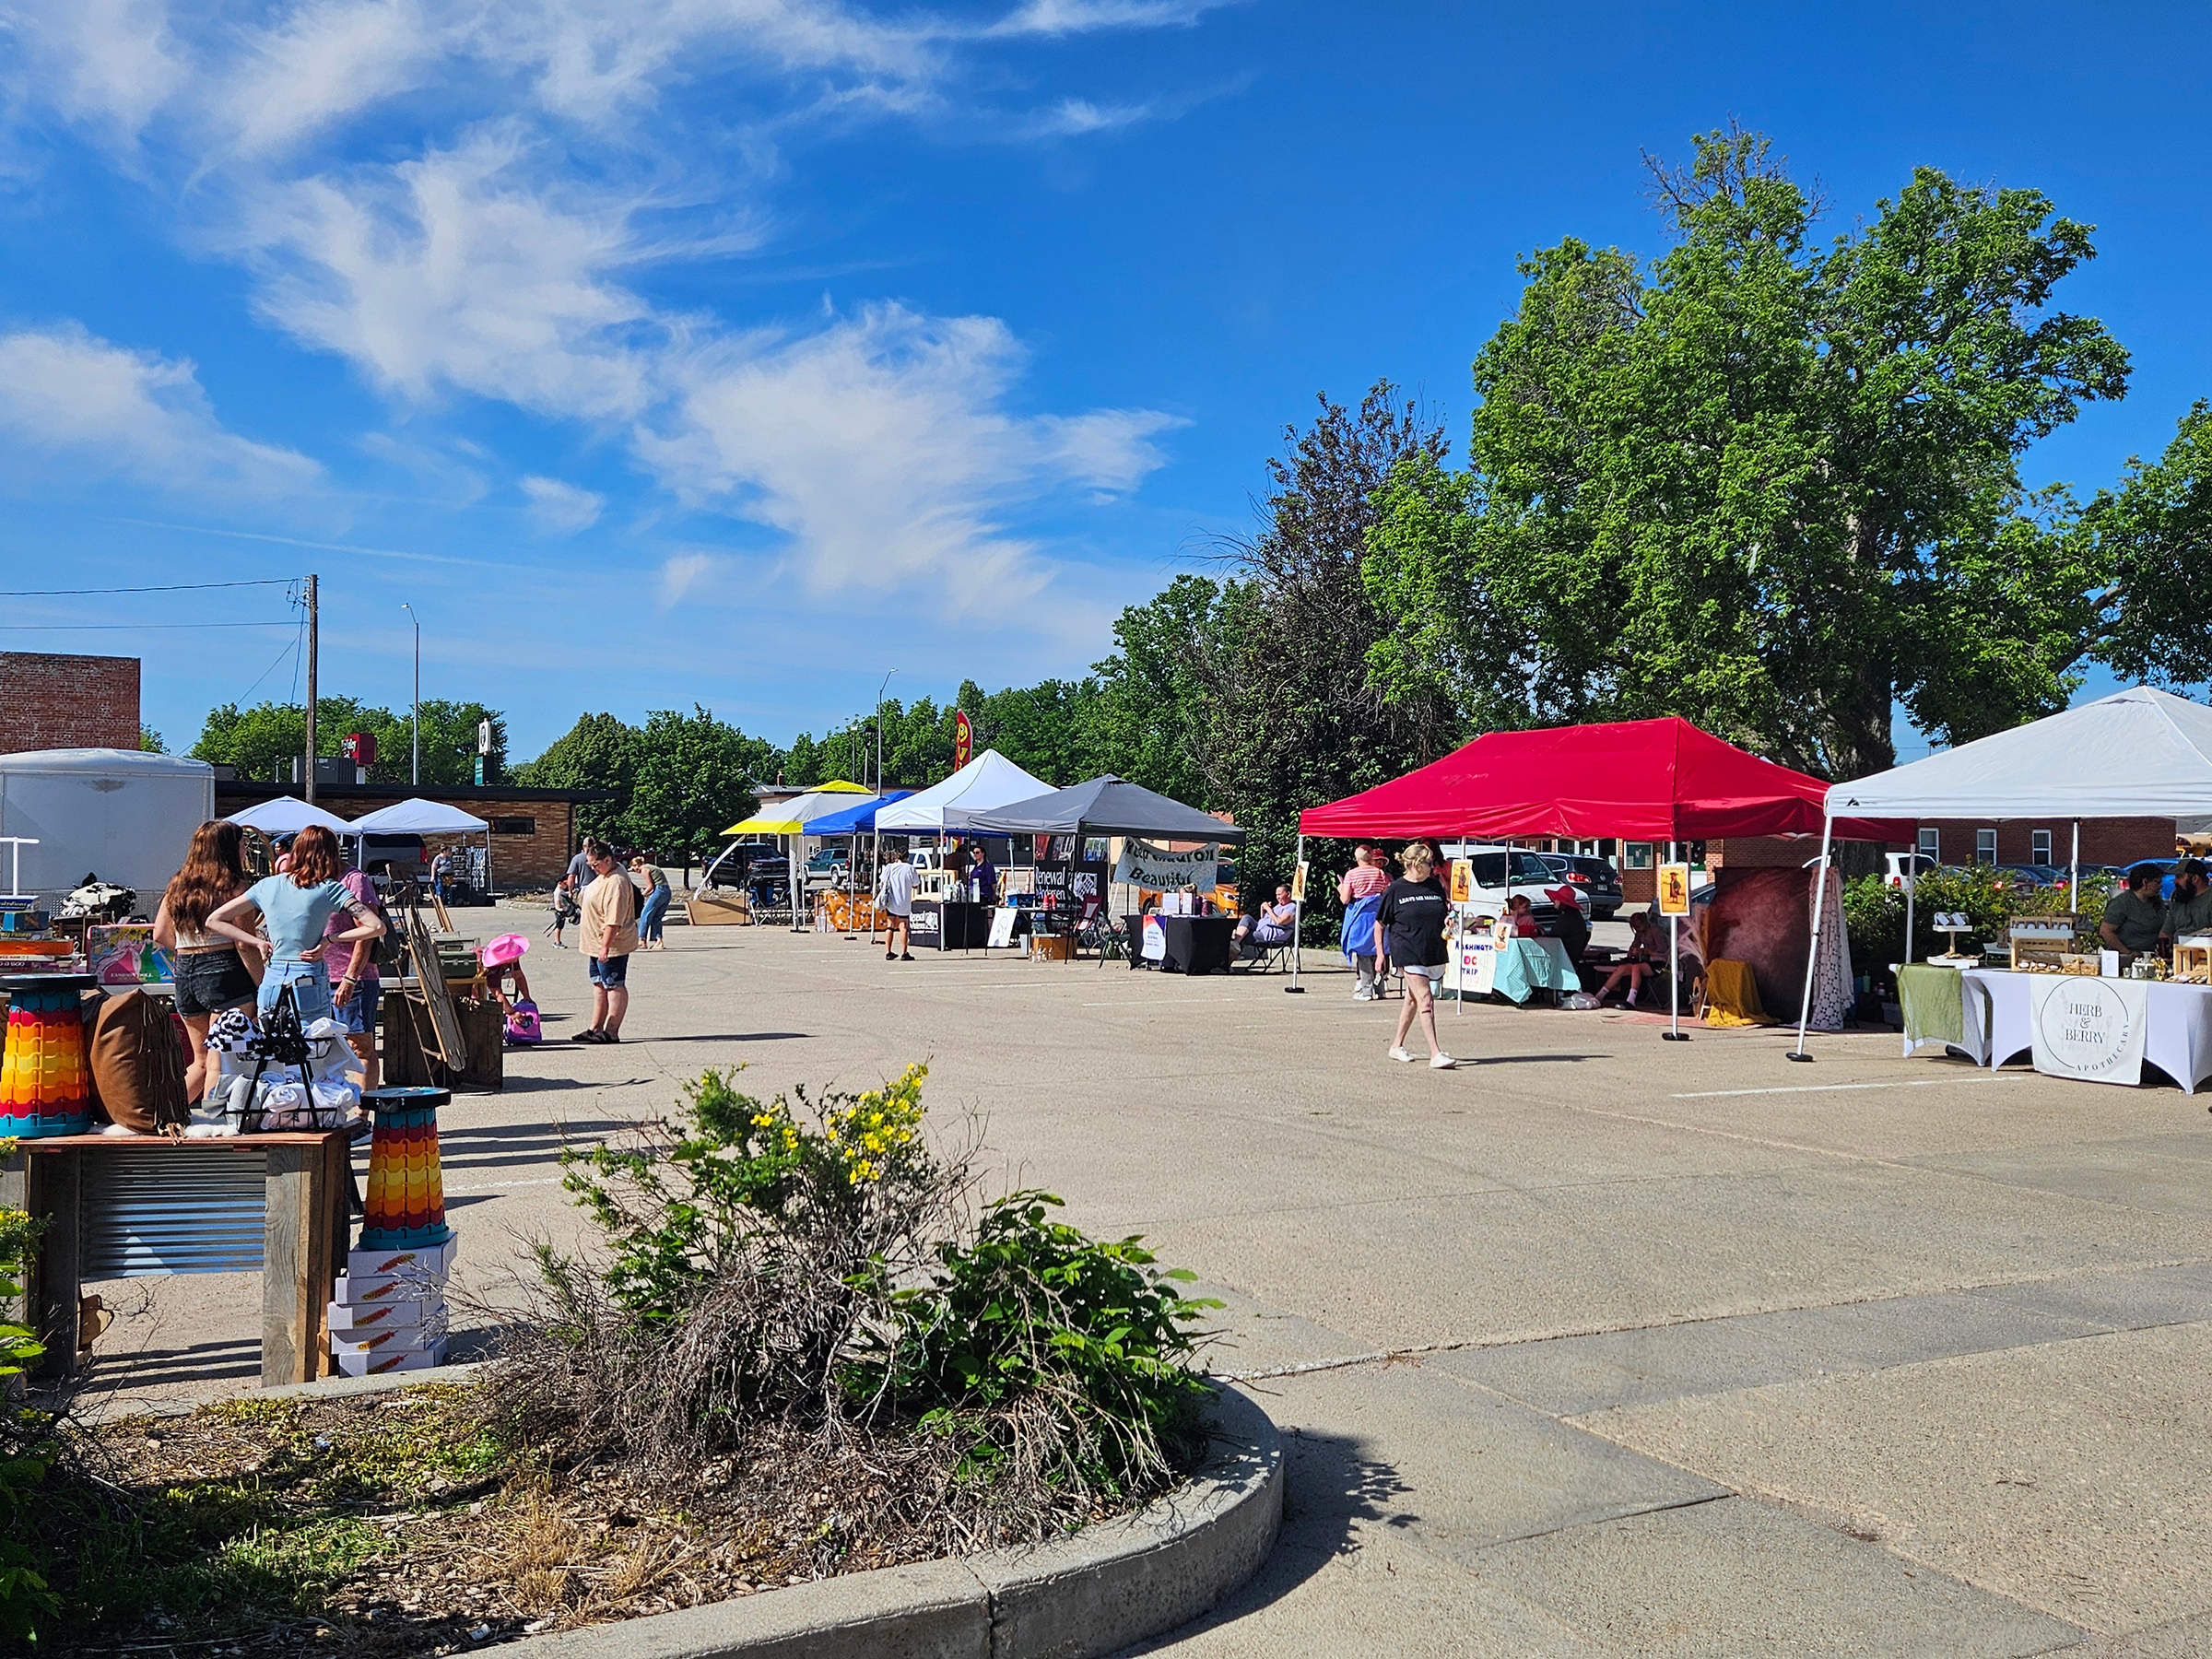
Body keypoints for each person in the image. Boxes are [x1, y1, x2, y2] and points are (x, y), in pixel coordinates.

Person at [207, 824, 385, 1026]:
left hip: (272, 978)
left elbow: (214, 920)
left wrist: (258, 943)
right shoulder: (330, 889)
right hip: (308, 977)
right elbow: (376, 926)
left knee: (274, 1046)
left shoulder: (268, 885)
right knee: (314, 1047)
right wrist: (330, 939)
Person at [152, 819, 261, 1103]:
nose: (244, 851)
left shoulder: (177, 885)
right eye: (242, 845)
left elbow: (160, 934)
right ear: (228, 850)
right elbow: (244, 944)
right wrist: (263, 986)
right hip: (226, 973)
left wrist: (192, 949)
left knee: (199, 1062)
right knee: (220, 1061)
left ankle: (164, 1118)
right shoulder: (235, 888)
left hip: (186, 973)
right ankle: (217, 1126)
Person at [1375, 844, 1454, 1069]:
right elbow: (1379, 925)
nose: (1433, 868)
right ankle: (1435, 1053)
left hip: (1432, 949)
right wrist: (1381, 954)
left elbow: (1443, 912)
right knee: (1425, 998)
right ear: (1415, 864)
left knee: (1412, 999)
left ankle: (1396, 1046)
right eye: (1429, 864)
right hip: (1406, 949)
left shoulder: (1435, 886)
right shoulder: (1395, 889)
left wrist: (1448, 920)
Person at [328, 857, 387, 1091]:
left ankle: (363, 1115)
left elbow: (367, 932)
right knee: (321, 1049)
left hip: (352, 977)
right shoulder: (312, 881)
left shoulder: (354, 880)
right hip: (317, 975)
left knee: (359, 1046)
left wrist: (350, 977)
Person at [576, 839, 638, 1043]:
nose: (593, 868)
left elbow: (614, 919)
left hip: (611, 945)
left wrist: (605, 946)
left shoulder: (617, 881)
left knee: (614, 985)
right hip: (594, 943)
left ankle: (612, 1031)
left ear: (608, 859)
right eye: (590, 865)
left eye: (596, 864)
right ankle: (595, 1028)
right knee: (599, 985)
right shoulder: (604, 875)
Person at [1597, 912, 1663, 1006]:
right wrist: (1632, 951)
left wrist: (1644, 951)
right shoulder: (1640, 933)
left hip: (1660, 961)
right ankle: (1599, 996)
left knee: (1636, 968)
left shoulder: (1655, 931)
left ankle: (1631, 1000)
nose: (1637, 929)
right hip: (1647, 961)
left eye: (1638, 926)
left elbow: (1662, 950)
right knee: (1621, 969)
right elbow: (1634, 945)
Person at [2100, 864, 2167, 956]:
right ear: (2145, 882)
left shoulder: (2158, 902)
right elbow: (2105, 930)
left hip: (2153, 955)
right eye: (2157, 882)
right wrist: (2128, 953)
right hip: (2127, 956)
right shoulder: (2122, 903)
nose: (2160, 886)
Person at [877, 844, 918, 960]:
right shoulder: (910, 868)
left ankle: (888, 951)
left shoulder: (889, 867)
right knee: (903, 925)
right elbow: (916, 885)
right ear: (907, 857)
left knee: (890, 925)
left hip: (891, 900)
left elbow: (882, 881)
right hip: (904, 900)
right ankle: (904, 952)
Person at [2161, 858, 2212, 946]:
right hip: (2177, 954)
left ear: (2195, 878)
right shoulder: (2179, 900)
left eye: (2179, 877)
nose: (2175, 881)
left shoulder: (2209, 899)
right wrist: (2164, 949)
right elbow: (2165, 933)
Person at [1234, 885, 1298, 951]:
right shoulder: (1278, 906)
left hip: (1269, 936)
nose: (1277, 897)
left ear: (1288, 894)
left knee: (1243, 936)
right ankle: (1235, 943)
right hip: (1261, 929)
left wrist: (1268, 908)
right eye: (1276, 895)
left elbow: (1279, 921)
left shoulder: (1291, 907)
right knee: (1246, 918)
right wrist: (1263, 909)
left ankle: (1234, 948)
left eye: (1279, 895)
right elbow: (1264, 919)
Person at [631, 856, 673, 949]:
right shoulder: (652, 867)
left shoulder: (644, 869)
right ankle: (659, 941)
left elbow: (650, 887)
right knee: (656, 917)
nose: (633, 870)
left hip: (659, 891)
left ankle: (642, 940)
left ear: (637, 865)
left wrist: (641, 895)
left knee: (645, 914)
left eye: (633, 868)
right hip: (667, 891)